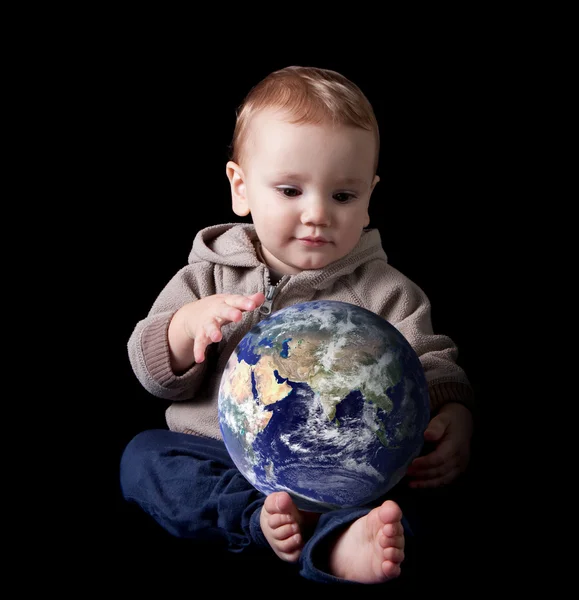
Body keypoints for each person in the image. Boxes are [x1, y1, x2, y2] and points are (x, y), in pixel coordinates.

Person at [120, 65, 475, 585]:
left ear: (369, 197)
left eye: (343, 196)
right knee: (144, 457)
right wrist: (185, 329)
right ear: (240, 188)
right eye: (290, 190)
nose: (317, 214)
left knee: (412, 493)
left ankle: (339, 541)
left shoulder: (384, 291)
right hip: (225, 460)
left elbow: (430, 361)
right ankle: (255, 521)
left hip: (342, 474)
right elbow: (150, 372)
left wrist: (454, 410)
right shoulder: (209, 275)